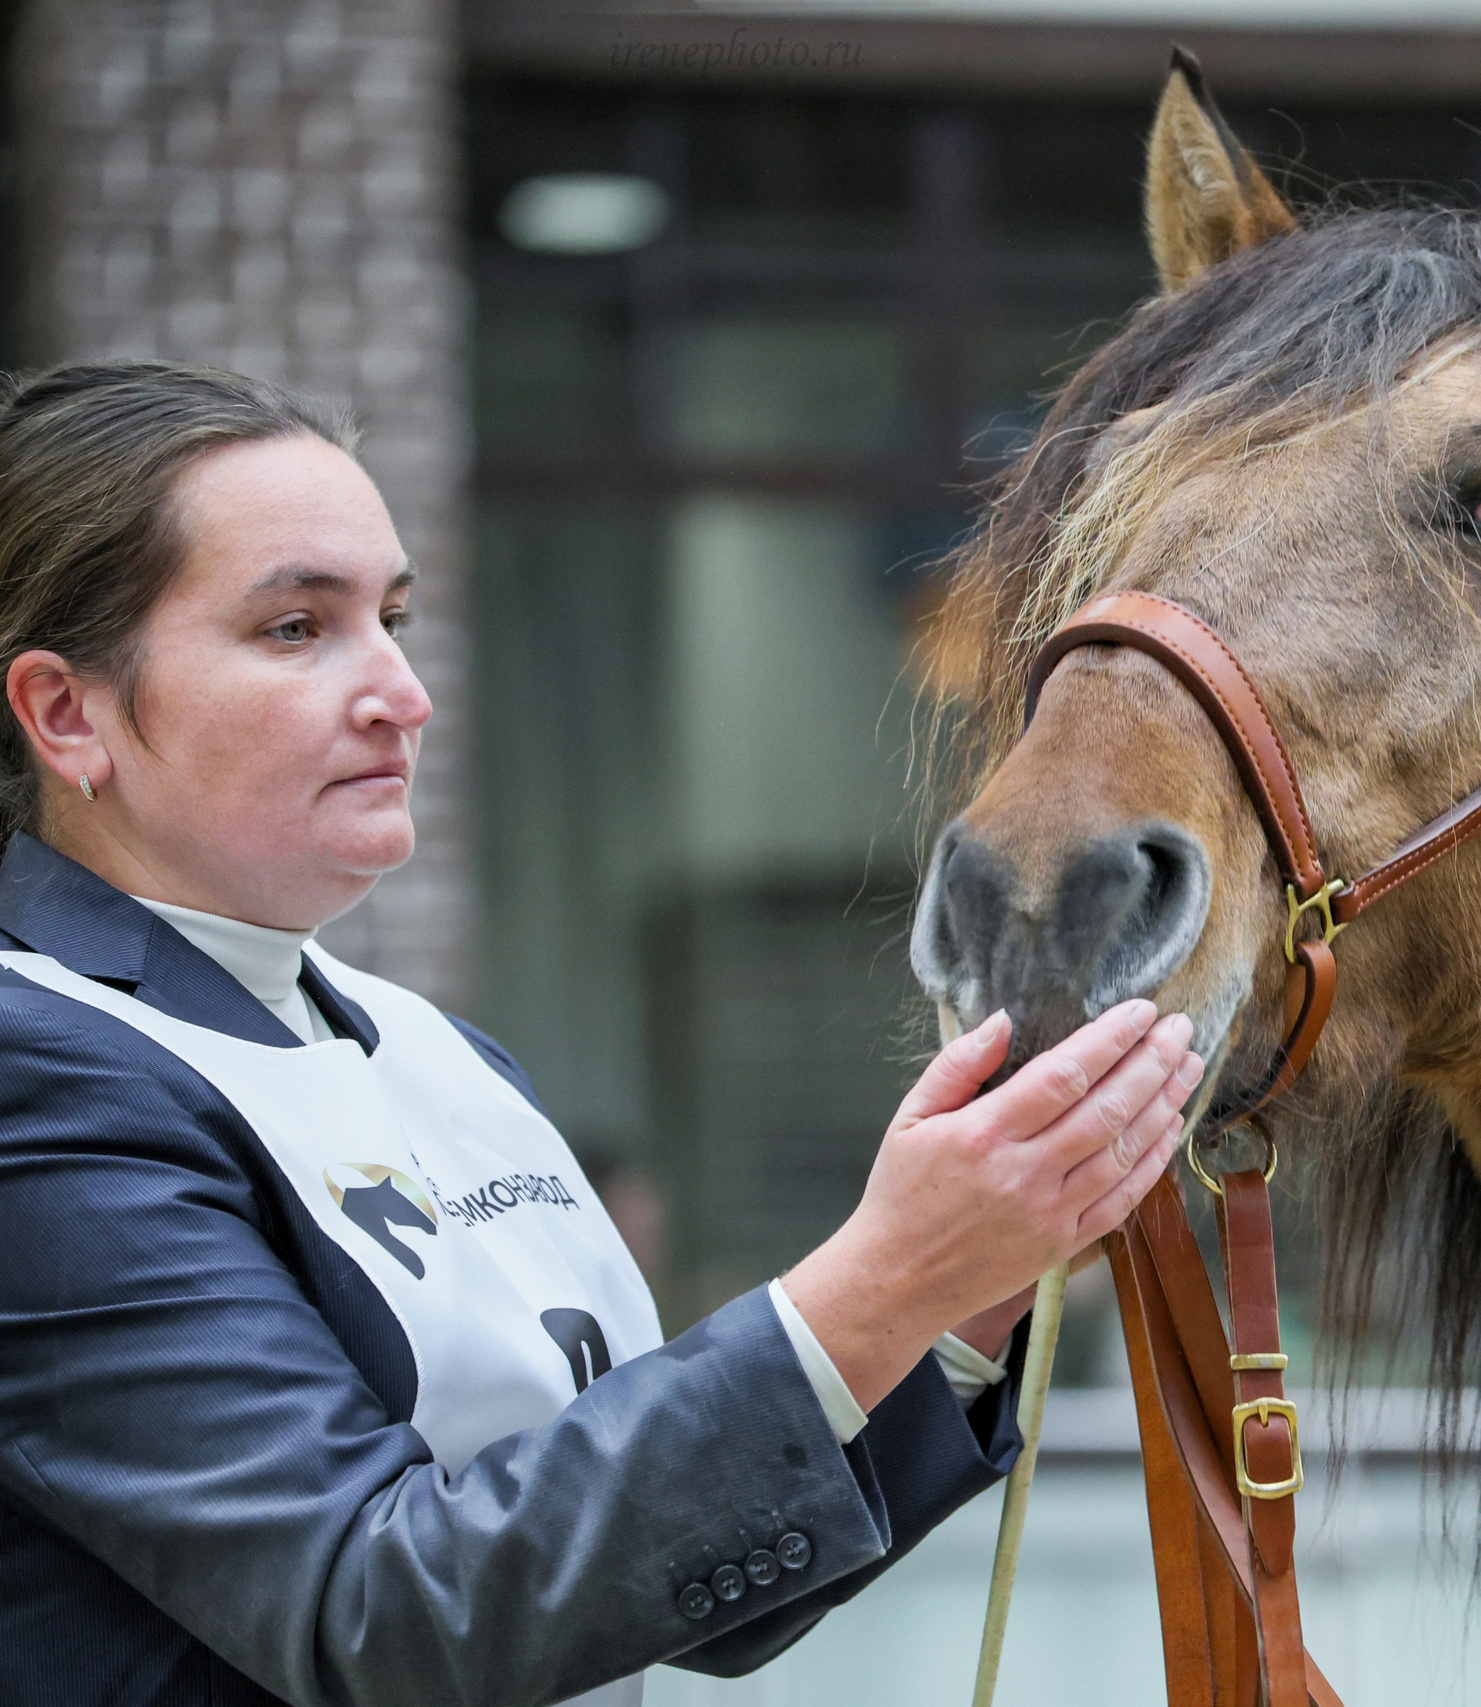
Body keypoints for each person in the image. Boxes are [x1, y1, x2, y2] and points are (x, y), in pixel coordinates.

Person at [0, 359, 1200, 1707]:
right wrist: (882, 1280)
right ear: (66, 714)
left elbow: (653, 1577)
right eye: (295, 628)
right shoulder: (38, 1079)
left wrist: (968, 1292)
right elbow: (375, 1612)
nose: (403, 691)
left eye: (393, 616)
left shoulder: (427, 1048)